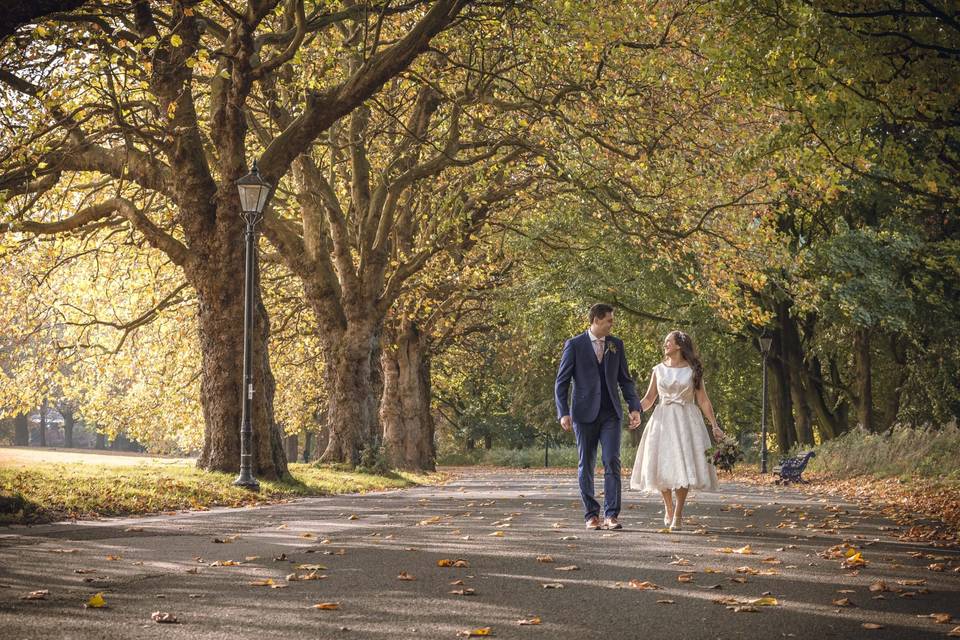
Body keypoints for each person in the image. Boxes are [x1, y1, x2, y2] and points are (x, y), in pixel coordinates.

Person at [555, 303, 642, 530]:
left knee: (612, 460)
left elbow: (625, 380)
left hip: (611, 413)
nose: (612, 325)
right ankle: (591, 515)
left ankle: (611, 515)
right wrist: (563, 412)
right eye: (609, 321)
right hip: (583, 414)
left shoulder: (616, 345)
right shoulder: (574, 345)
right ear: (596, 320)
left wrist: (634, 407)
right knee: (586, 464)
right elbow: (561, 382)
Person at [629, 330, 724, 531]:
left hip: (686, 421)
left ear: (679, 345)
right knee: (662, 463)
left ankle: (678, 514)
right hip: (662, 420)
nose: (665, 345)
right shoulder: (658, 370)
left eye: (668, 342)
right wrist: (636, 411)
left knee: (683, 464)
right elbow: (649, 399)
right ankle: (668, 507)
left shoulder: (692, 370)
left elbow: (703, 400)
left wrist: (714, 425)